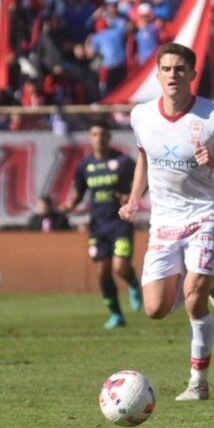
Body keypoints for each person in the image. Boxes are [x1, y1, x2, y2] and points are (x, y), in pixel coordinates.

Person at [119, 43, 214, 401]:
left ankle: (198, 382)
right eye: (167, 69)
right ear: (157, 75)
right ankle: (209, 283)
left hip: (203, 215)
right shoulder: (141, 115)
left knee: (193, 299)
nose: (173, 75)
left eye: (180, 69)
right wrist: (133, 199)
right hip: (163, 220)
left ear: (192, 74)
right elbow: (144, 157)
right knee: (155, 309)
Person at [63, 122, 143, 329]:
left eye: (102, 134)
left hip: (120, 222)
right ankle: (116, 314)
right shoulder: (85, 165)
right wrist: (70, 204)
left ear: (109, 137)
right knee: (102, 271)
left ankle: (133, 283)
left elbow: (144, 181)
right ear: (90, 138)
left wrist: (131, 198)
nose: (98, 138)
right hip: (98, 225)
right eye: (94, 134)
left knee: (120, 267)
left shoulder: (123, 161)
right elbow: (78, 191)